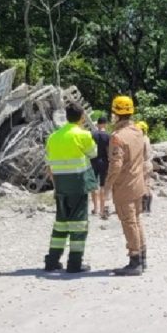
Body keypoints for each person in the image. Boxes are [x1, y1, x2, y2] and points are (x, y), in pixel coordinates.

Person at [44, 103, 98, 273]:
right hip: (78, 185)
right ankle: (75, 263)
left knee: (60, 223)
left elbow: (49, 165)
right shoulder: (83, 134)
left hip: (60, 185)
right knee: (78, 224)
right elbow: (93, 153)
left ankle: (52, 261)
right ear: (82, 116)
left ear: (66, 116)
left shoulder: (53, 137)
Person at [105, 96, 149, 276]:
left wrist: (107, 186)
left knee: (129, 222)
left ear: (116, 114)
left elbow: (116, 164)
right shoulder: (138, 131)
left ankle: (134, 260)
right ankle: (142, 257)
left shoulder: (117, 137)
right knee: (137, 220)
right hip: (138, 184)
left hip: (124, 186)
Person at [90, 115, 111, 220]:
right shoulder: (108, 136)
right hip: (104, 161)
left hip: (93, 161)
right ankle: (102, 209)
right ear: (105, 124)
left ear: (98, 124)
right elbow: (108, 151)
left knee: (94, 185)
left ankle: (95, 209)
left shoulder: (92, 134)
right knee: (103, 185)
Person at [137, 120, 154, 214]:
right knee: (147, 184)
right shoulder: (146, 138)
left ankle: (144, 207)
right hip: (148, 163)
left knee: (143, 186)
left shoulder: (141, 140)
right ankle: (148, 208)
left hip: (143, 164)